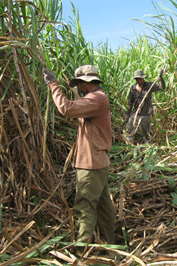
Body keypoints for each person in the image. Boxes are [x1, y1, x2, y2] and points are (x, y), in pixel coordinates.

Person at [43, 65, 115, 244]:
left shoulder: (96, 99)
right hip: (97, 162)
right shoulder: (96, 99)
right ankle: (112, 245)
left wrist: (53, 84)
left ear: (85, 83)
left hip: (91, 165)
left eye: (79, 84)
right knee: (103, 207)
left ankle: (82, 251)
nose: (78, 88)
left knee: (84, 207)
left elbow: (66, 108)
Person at [124, 69, 165, 144]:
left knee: (147, 135)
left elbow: (162, 87)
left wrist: (161, 77)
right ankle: (129, 148)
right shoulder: (133, 89)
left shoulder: (149, 86)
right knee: (129, 132)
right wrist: (127, 114)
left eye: (142, 78)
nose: (142, 79)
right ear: (137, 79)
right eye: (140, 78)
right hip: (135, 114)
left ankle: (148, 149)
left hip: (146, 114)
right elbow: (130, 103)